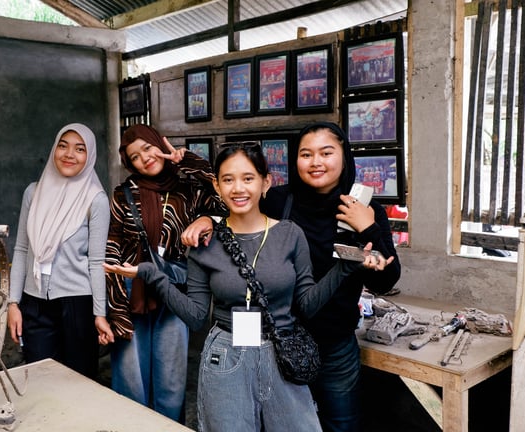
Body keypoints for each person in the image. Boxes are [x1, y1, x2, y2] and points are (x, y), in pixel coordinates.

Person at [105, 143, 393, 431]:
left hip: (281, 352)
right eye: (228, 179)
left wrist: (345, 268)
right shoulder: (206, 243)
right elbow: (195, 316)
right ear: (217, 186)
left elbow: (307, 304)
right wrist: (151, 274)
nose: (238, 188)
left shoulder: (290, 234)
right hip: (225, 355)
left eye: (248, 178)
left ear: (265, 182)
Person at [261, 121, 401, 432]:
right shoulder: (276, 201)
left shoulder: (365, 208)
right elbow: (233, 216)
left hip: (335, 345)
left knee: (341, 425)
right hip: (277, 341)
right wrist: (207, 220)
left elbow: (386, 280)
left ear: (344, 156)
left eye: (326, 153)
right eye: (306, 154)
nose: (316, 162)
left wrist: (368, 228)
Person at [105, 124, 225, 422]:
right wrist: (115, 307)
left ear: (161, 144)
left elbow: (224, 196)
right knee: (130, 380)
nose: (144, 158)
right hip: (130, 289)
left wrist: (186, 160)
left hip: (173, 288)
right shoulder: (123, 194)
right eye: (135, 157)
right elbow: (112, 246)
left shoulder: (188, 189)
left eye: (148, 148)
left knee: (171, 379)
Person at [7, 123, 113, 380]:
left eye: (80, 149)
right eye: (63, 146)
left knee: (80, 380)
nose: (69, 154)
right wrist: (13, 303)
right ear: (54, 149)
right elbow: (21, 249)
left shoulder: (95, 200)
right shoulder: (33, 193)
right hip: (34, 302)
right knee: (39, 377)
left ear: (89, 156)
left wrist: (100, 314)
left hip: (78, 303)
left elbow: (97, 262)